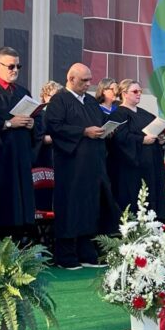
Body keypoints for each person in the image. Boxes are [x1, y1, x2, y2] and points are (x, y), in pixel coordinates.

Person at [44, 63, 119, 268]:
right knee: (70, 207)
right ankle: (66, 256)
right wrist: (83, 131)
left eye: (89, 80)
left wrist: (106, 130)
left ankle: (87, 253)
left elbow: (102, 121)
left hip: (93, 164)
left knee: (90, 207)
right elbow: (55, 127)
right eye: (84, 80)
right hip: (71, 164)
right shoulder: (60, 100)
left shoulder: (91, 102)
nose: (88, 84)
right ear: (71, 79)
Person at [0, 47, 36, 239]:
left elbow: (35, 128)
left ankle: (22, 242)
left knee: (22, 203)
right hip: (1, 159)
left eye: (18, 66)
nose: (15, 70)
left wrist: (31, 124)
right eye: (10, 66)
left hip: (21, 155)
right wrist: (8, 123)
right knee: (4, 204)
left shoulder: (23, 91)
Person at [114, 79, 165, 221]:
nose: (139, 94)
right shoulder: (118, 114)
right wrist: (141, 140)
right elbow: (120, 138)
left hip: (151, 165)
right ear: (124, 93)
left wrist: (161, 139)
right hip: (134, 169)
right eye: (135, 91)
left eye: (140, 91)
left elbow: (155, 131)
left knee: (153, 199)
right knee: (137, 200)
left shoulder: (146, 114)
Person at [32, 80, 62, 214]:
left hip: (60, 157)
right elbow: (39, 138)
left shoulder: (63, 114)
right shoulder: (40, 114)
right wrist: (61, 137)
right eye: (50, 96)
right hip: (45, 158)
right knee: (44, 194)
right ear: (44, 96)